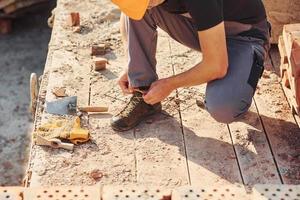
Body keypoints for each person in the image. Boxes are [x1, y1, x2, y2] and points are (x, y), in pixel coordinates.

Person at [110, 0, 270, 131]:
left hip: (243, 36)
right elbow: (131, 11)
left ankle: (245, 67)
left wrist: (170, 84)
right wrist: (133, 63)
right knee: (140, 9)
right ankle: (143, 95)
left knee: (223, 107)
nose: (149, 4)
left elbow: (216, 66)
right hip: (204, 23)